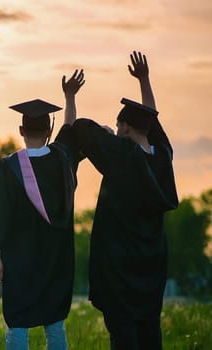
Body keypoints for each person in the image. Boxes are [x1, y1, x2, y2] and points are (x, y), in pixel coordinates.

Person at [71, 51, 178, 349]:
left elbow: (81, 128)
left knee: (123, 339)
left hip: (119, 272)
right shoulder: (163, 157)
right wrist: (145, 80)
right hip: (152, 269)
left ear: (126, 127)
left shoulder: (123, 156)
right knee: (150, 335)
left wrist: (108, 134)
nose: (117, 131)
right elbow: (152, 122)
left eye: (119, 127)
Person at [0, 70, 85, 350]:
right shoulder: (62, 160)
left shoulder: (9, 167)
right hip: (56, 259)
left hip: (20, 259)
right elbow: (72, 132)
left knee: (17, 322)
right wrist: (70, 96)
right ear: (50, 130)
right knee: (54, 323)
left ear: (21, 131)